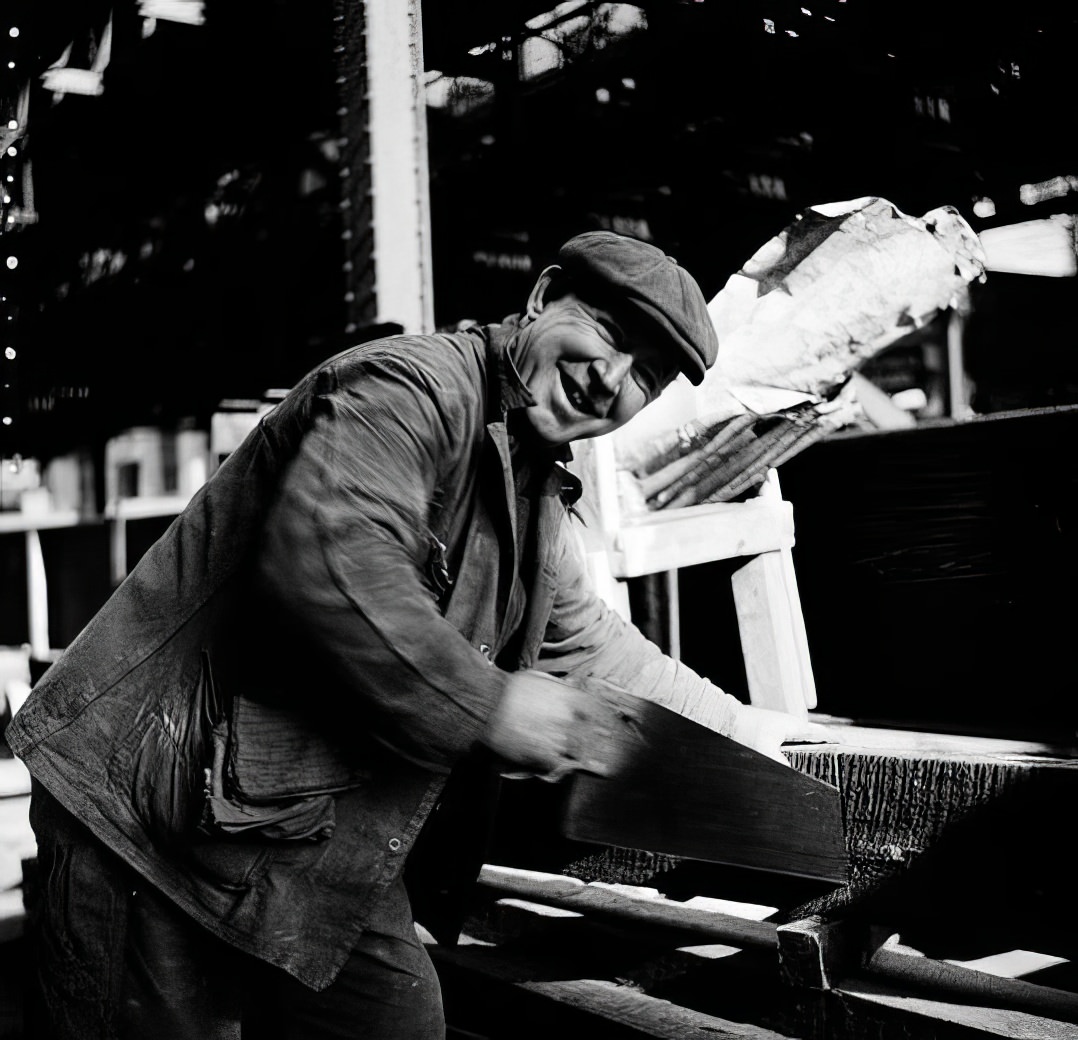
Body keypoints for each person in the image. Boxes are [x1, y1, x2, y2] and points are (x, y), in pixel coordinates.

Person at [6, 230, 826, 1039]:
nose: (608, 378)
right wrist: (494, 709)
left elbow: (594, 645)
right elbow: (334, 560)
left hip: (296, 829)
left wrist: (751, 730)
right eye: (607, 334)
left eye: (645, 374)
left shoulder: (536, 493)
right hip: (151, 808)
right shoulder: (407, 389)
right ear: (541, 299)